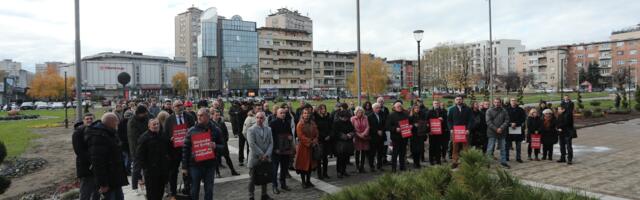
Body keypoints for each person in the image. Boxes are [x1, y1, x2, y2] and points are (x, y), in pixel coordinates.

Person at [181, 108, 224, 200]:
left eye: (201, 115)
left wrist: (216, 146)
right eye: (198, 115)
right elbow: (185, 149)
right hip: (195, 165)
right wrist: (184, 167)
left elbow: (223, 148)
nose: (199, 117)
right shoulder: (191, 130)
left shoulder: (216, 130)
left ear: (208, 116)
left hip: (210, 165)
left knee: (209, 190)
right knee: (194, 190)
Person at [85, 113, 129, 200]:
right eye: (116, 122)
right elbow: (98, 163)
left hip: (115, 178)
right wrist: (103, 184)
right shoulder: (98, 137)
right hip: (108, 180)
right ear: (111, 122)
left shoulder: (111, 133)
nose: (118, 124)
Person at [162, 100, 195, 199]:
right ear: (173, 108)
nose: (179, 107)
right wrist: (170, 139)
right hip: (174, 151)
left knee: (188, 170)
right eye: (177, 106)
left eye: (181, 105)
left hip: (187, 149)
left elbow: (194, 130)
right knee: (173, 172)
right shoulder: (169, 120)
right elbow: (165, 136)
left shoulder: (189, 117)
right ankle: (173, 191)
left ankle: (187, 189)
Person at [135, 118, 171, 200]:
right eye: (154, 124)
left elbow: (169, 149)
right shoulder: (144, 137)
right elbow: (139, 155)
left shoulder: (163, 135)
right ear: (149, 126)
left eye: (157, 124)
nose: (156, 126)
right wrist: (144, 168)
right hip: (151, 171)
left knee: (160, 192)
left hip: (162, 169)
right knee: (152, 193)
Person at [247, 112, 274, 200]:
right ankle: (251, 196)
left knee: (264, 176)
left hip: (266, 157)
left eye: (261, 118)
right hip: (255, 158)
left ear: (264, 119)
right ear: (255, 118)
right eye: (257, 117)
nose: (259, 119)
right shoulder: (251, 129)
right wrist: (262, 154)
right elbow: (252, 144)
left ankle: (264, 195)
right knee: (252, 178)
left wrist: (267, 155)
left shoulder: (268, 129)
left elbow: (271, 143)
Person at [72, 113, 98, 200]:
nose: (89, 120)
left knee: (96, 189)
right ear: (83, 120)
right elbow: (79, 151)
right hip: (85, 165)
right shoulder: (78, 133)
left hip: (96, 165)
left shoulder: (95, 130)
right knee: (85, 190)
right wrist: (91, 160)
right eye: (87, 119)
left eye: (91, 118)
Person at [268, 108, 294, 194]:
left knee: (284, 168)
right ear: (277, 114)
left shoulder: (286, 123)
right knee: (275, 169)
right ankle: (274, 186)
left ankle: (283, 184)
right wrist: (275, 148)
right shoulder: (273, 123)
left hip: (285, 149)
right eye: (281, 113)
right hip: (276, 150)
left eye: (284, 113)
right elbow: (270, 138)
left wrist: (290, 137)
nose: (283, 114)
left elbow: (290, 134)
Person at [210, 108, 240, 177]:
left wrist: (225, 140)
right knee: (216, 159)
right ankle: (217, 173)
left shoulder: (222, 123)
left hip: (223, 143)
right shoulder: (211, 124)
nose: (218, 117)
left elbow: (226, 132)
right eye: (216, 115)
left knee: (227, 157)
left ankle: (233, 170)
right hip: (216, 144)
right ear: (212, 115)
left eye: (219, 115)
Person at [447, 96, 474, 168]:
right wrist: (451, 129)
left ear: (462, 100)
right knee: (455, 147)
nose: (459, 101)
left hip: (465, 131)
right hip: (455, 131)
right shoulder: (452, 110)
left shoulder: (468, 109)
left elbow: (471, 120)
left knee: (465, 147)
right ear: (455, 101)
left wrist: (468, 129)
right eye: (457, 99)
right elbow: (449, 120)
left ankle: (466, 162)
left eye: (460, 99)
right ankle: (455, 162)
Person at [127, 105, 150, 193]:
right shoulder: (132, 121)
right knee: (136, 169)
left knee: (146, 168)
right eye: (144, 113)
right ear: (139, 113)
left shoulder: (145, 118)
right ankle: (134, 187)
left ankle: (147, 184)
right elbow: (134, 138)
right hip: (136, 149)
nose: (146, 114)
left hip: (146, 147)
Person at [295, 109, 319, 188]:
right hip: (303, 148)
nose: (306, 115)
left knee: (310, 166)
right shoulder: (300, 124)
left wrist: (315, 140)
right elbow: (300, 136)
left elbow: (316, 133)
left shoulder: (312, 123)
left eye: (308, 113)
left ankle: (308, 181)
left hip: (311, 148)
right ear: (302, 114)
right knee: (303, 166)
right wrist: (310, 142)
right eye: (305, 113)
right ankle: (303, 182)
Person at [485, 98, 510, 168]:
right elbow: (488, 122)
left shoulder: (504, 111)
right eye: (495, 102)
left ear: (500, 103)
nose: (497, 103)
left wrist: (501, 128)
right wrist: (496, 129)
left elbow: (507, 120)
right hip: (492, 132)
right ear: (493, 102)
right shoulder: (489, 111)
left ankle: (503, 162)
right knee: (490, 148)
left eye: (498, 102)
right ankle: (487, 163)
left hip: (502, 132)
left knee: (503, 148)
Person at [386, 101, 410, 172]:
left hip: (404, 137)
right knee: (395, 153)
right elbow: (387, 126)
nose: (399, 107)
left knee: (403, 153)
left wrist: (409, 126)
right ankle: (394, 168)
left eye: (400, 106)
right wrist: (395, 129)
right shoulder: (391, 115)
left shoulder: (405, 114)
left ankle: (402, 167)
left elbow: (409, 123)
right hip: (395, 137)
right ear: (394, 108)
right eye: (398, 106)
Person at [333, 109, 355, 178]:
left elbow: (353, 130)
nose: (345, 119)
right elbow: (335, 132)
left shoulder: (348, 122)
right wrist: (344, 136)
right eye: (344, 117)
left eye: (346, 117)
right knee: (340, 158)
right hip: (340, 143)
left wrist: (350, 134)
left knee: (346, 158)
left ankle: (344, 171)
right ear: (340, 117)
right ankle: (339, 172)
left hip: (348, 143)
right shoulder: (336, 123)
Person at [313, 104, 333, 179]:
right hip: (320, 140)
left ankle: (325, 173)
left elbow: (331, 128)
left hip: (327, 140)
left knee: (325, 158)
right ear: (319, 110)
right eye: (321, 109)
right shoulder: (316, 118)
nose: (323, 110)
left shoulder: (327, 117)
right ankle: (319, 174)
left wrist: (329, 135)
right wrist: (323, 136)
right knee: (319, 158)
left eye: (324, 109)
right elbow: (316, 129)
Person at [426, 100, 447, 165]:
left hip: (440, 132)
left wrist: (442, 120)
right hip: (432, 133)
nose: (436, 104)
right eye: (435, 103)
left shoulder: (442, 111)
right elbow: (426, 122)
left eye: (437, 103)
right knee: (432, 147)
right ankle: (431, 160)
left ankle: (438, 160)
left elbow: (446, 121)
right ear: (433, 104)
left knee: (438, 147)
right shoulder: (429, 112)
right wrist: (428, 131)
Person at [506, 98, 526, 163]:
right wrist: (510, 123)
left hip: (518, 128)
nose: (513, 102)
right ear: (510, 102)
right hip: (508, 128)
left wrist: (516, 123)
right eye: (512, 100)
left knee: (518, 145)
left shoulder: (520, 110)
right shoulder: (506, 110)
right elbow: (504, 118)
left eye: (515, 101)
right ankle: (507, 157)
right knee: (507, 144)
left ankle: (518, 157)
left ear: (516, 102)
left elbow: (523, 118)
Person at [367, 103, 386, 171]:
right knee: (372, 153)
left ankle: (379, 166)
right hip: (373, 137)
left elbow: (384, 124)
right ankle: (371, 166)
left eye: (379, 108)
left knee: (380, 152)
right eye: (377, 108)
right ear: (373, 109)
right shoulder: (369, 116)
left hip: (381, 136)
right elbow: (369, 127)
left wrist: (382, 130)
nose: (378, 109)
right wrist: (376, 131)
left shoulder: (382, 115)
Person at [351, 106, 370, 173]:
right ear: (356, 112)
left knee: (363, 152)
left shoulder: (365, 118)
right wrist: (359, 135)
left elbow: (368, 126)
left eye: (361, 112)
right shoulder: (353, 119)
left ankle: (362, 167)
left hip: (364, 137)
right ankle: (357, 167)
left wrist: (364, 134)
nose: (360, 113)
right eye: (359, 112)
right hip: (357, 138)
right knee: (357, 153)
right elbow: (352, 128)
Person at [117, 111, 133, 175]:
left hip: (123, 144)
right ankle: (126, 171)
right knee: (128, 158)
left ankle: (124, 171)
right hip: (126, 144)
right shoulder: (127, 123)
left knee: (126, 158)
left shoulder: (120, 123)